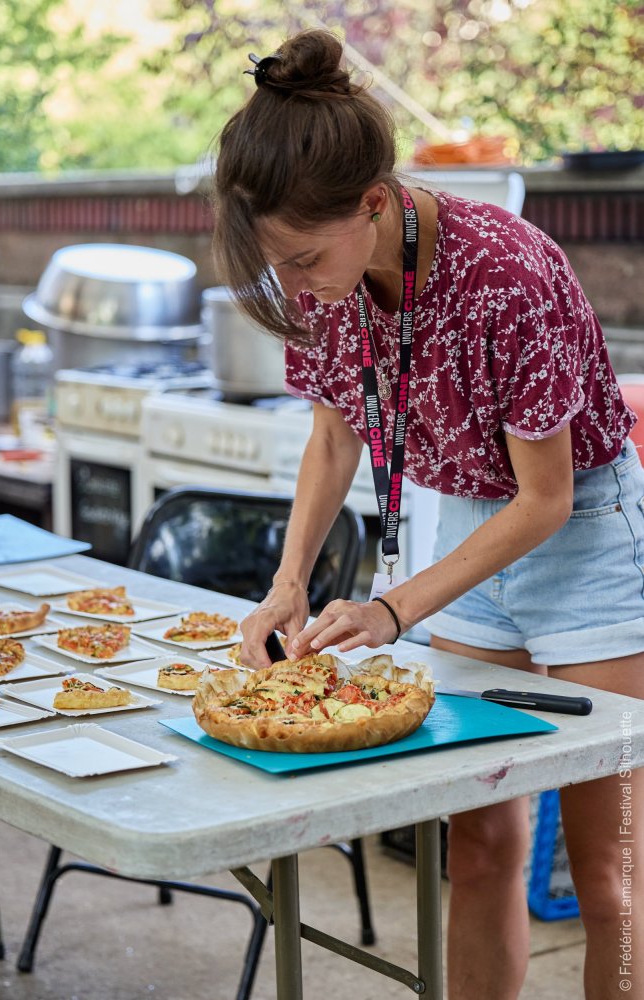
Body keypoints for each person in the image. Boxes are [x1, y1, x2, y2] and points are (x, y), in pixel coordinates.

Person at [212, 28, 643, 1000]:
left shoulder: (507, 276)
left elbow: (547, 497)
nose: (296, 285)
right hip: (467, 529)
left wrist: (393, 610)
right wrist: (289, 586)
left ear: (374, 202)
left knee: (610, 868)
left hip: (582, 535)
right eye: (276, 265)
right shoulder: (323, 278)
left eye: (305, 258)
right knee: (481, 841)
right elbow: (335, 437)